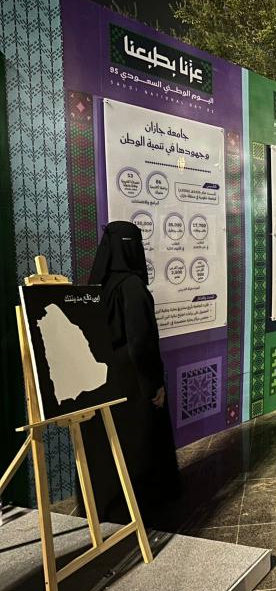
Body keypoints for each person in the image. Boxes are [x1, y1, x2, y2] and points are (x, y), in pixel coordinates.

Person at [83, 221, 180, 525]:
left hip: (103, 380)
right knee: (137, 445)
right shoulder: (133, 287)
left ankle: (108, 506)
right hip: (132, 381)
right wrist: (154, 385)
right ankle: (137, 509)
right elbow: (141, 344)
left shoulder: (97, 286)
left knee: (108, 446)